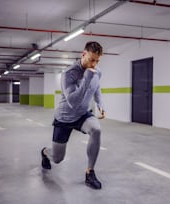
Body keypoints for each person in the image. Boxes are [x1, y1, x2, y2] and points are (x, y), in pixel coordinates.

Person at [41, 41, 106, 189]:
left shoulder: (97, 71)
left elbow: (96, 88)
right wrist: (86, 78)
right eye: (91, 59)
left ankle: (90, 173)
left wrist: (100, 104)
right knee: (57, 158)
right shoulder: (68, 74)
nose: (94, 64)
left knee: (96, 130)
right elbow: (73, 103)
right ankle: (45, 152)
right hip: (64, 118)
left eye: (97, 61)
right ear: (83, 54)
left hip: (83, 114)